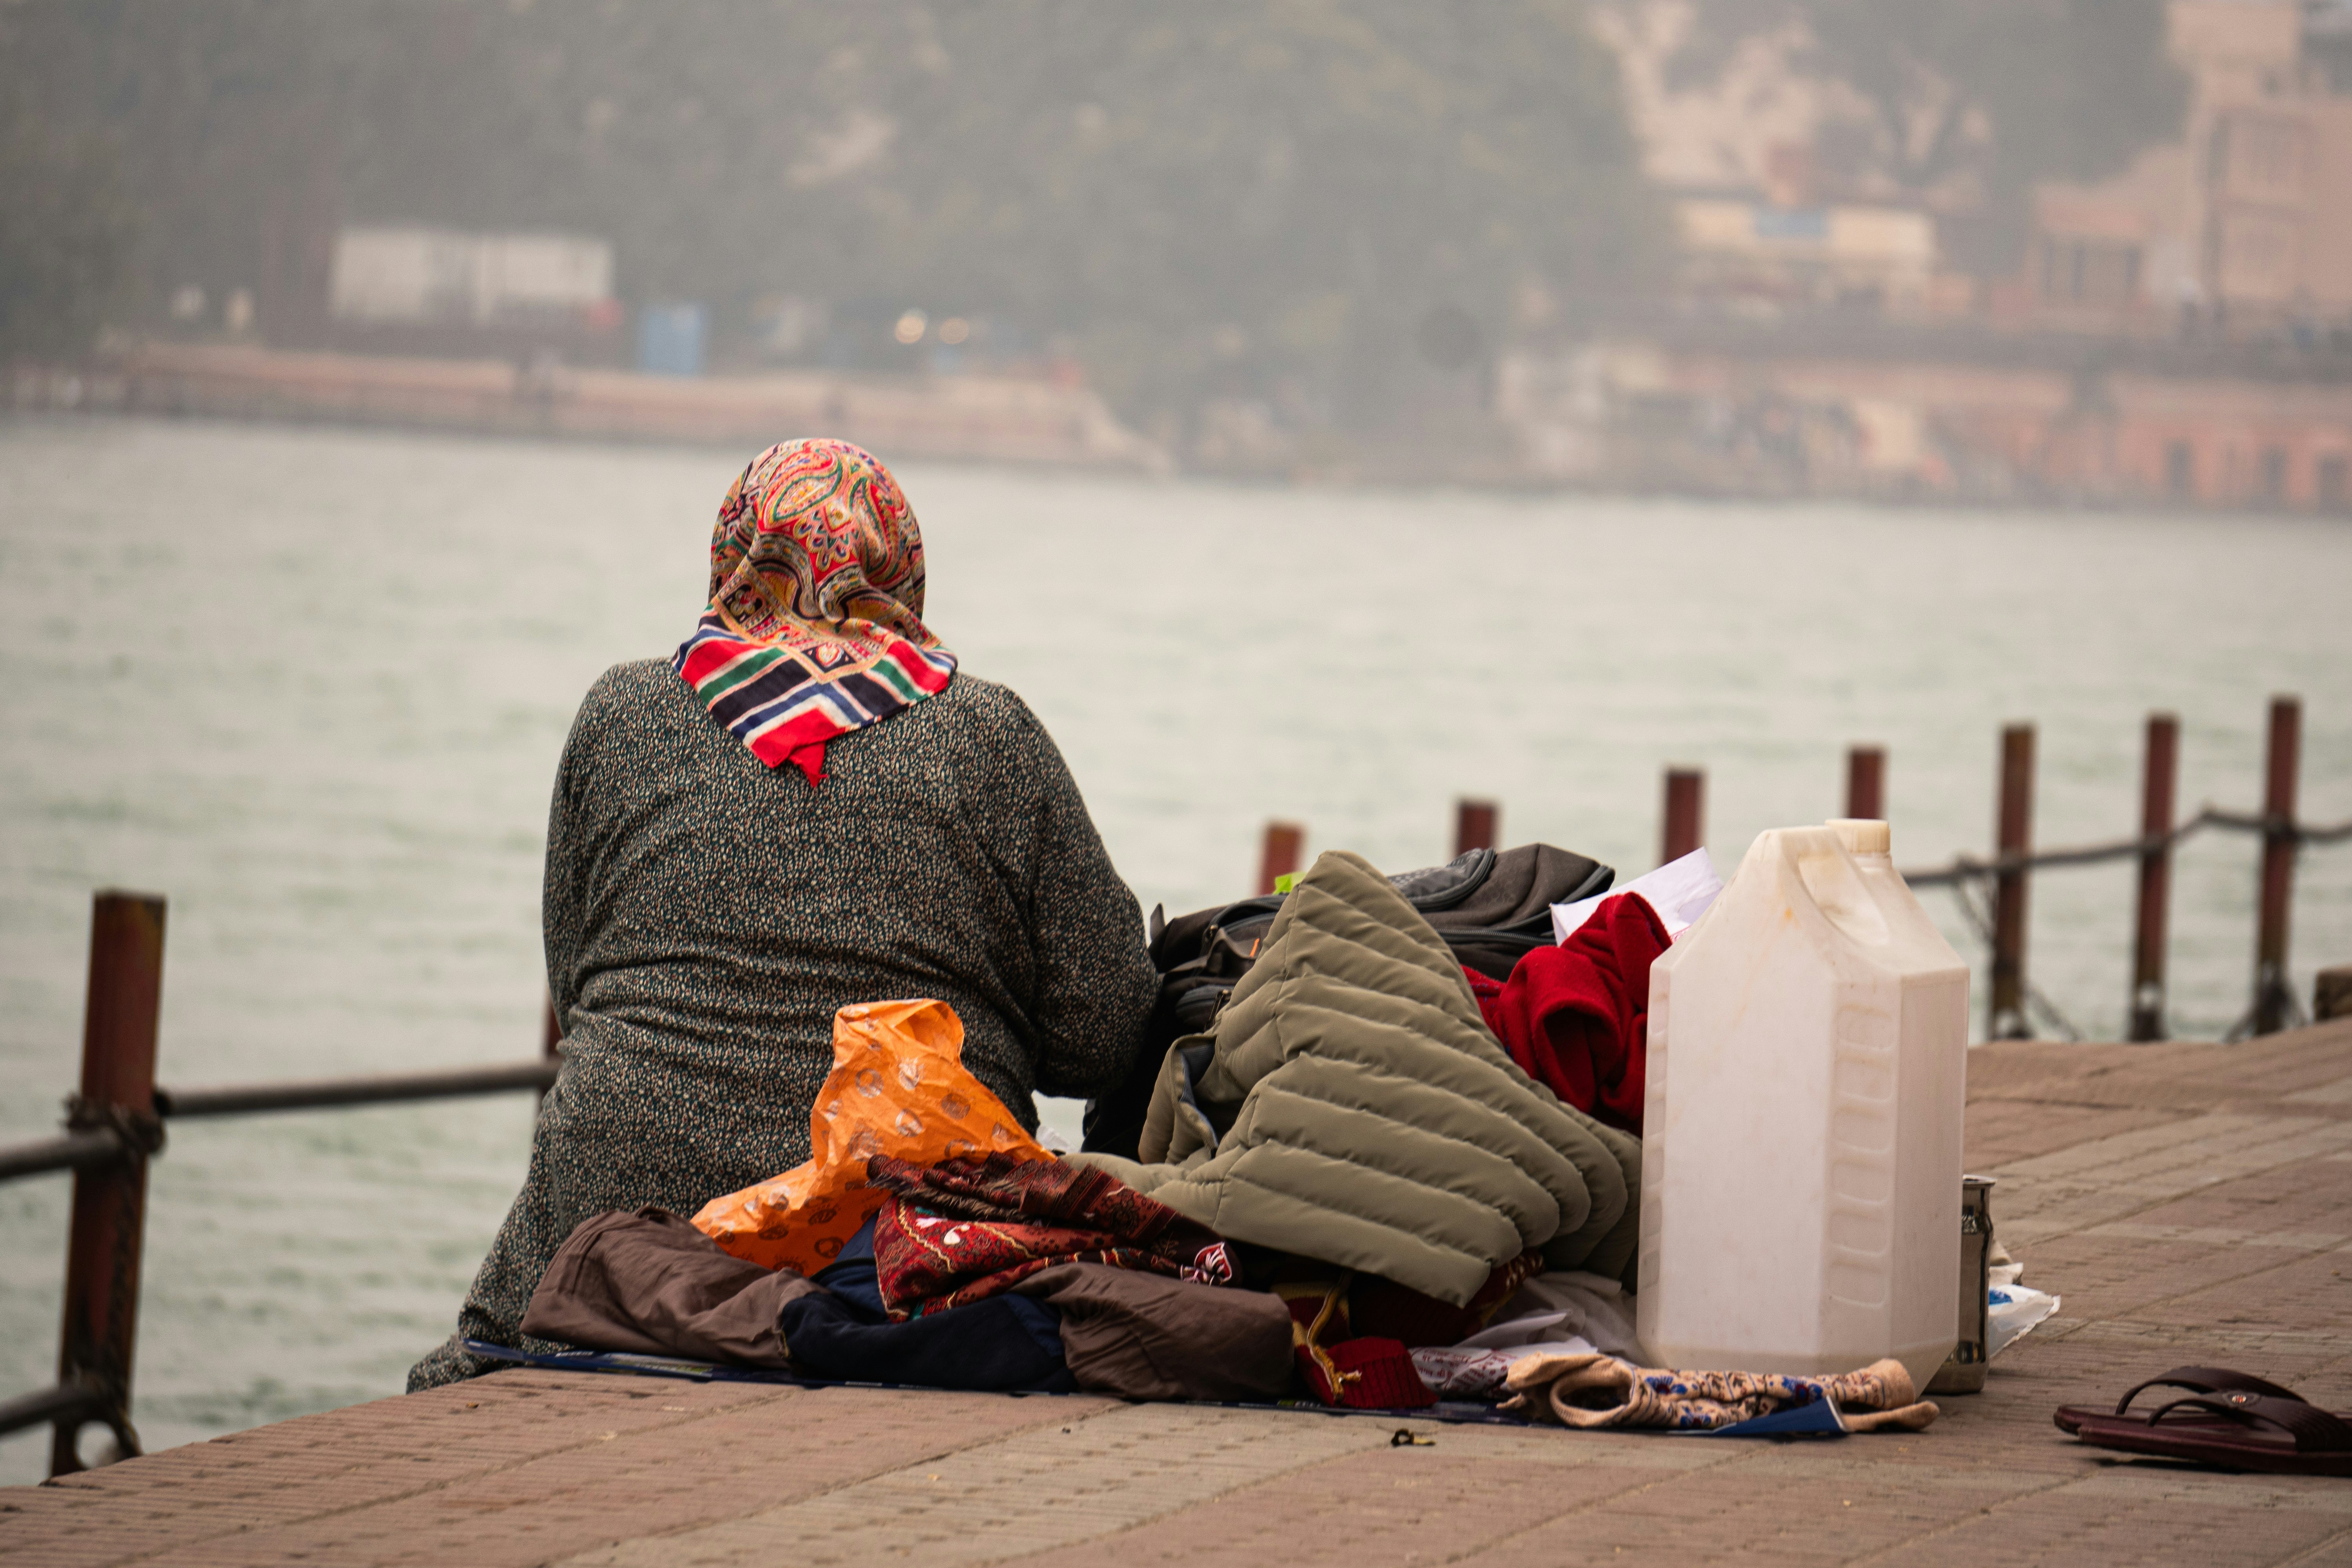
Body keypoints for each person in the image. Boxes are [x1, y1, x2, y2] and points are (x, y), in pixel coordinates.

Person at [409, 438, 1156, 1389]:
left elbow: (578, 985)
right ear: (900, 568)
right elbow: (1104, 1036)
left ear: (733, 555)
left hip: (609, 1216)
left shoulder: (622, 711)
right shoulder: (989, 735)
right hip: (892, 1230)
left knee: (472, 1367)